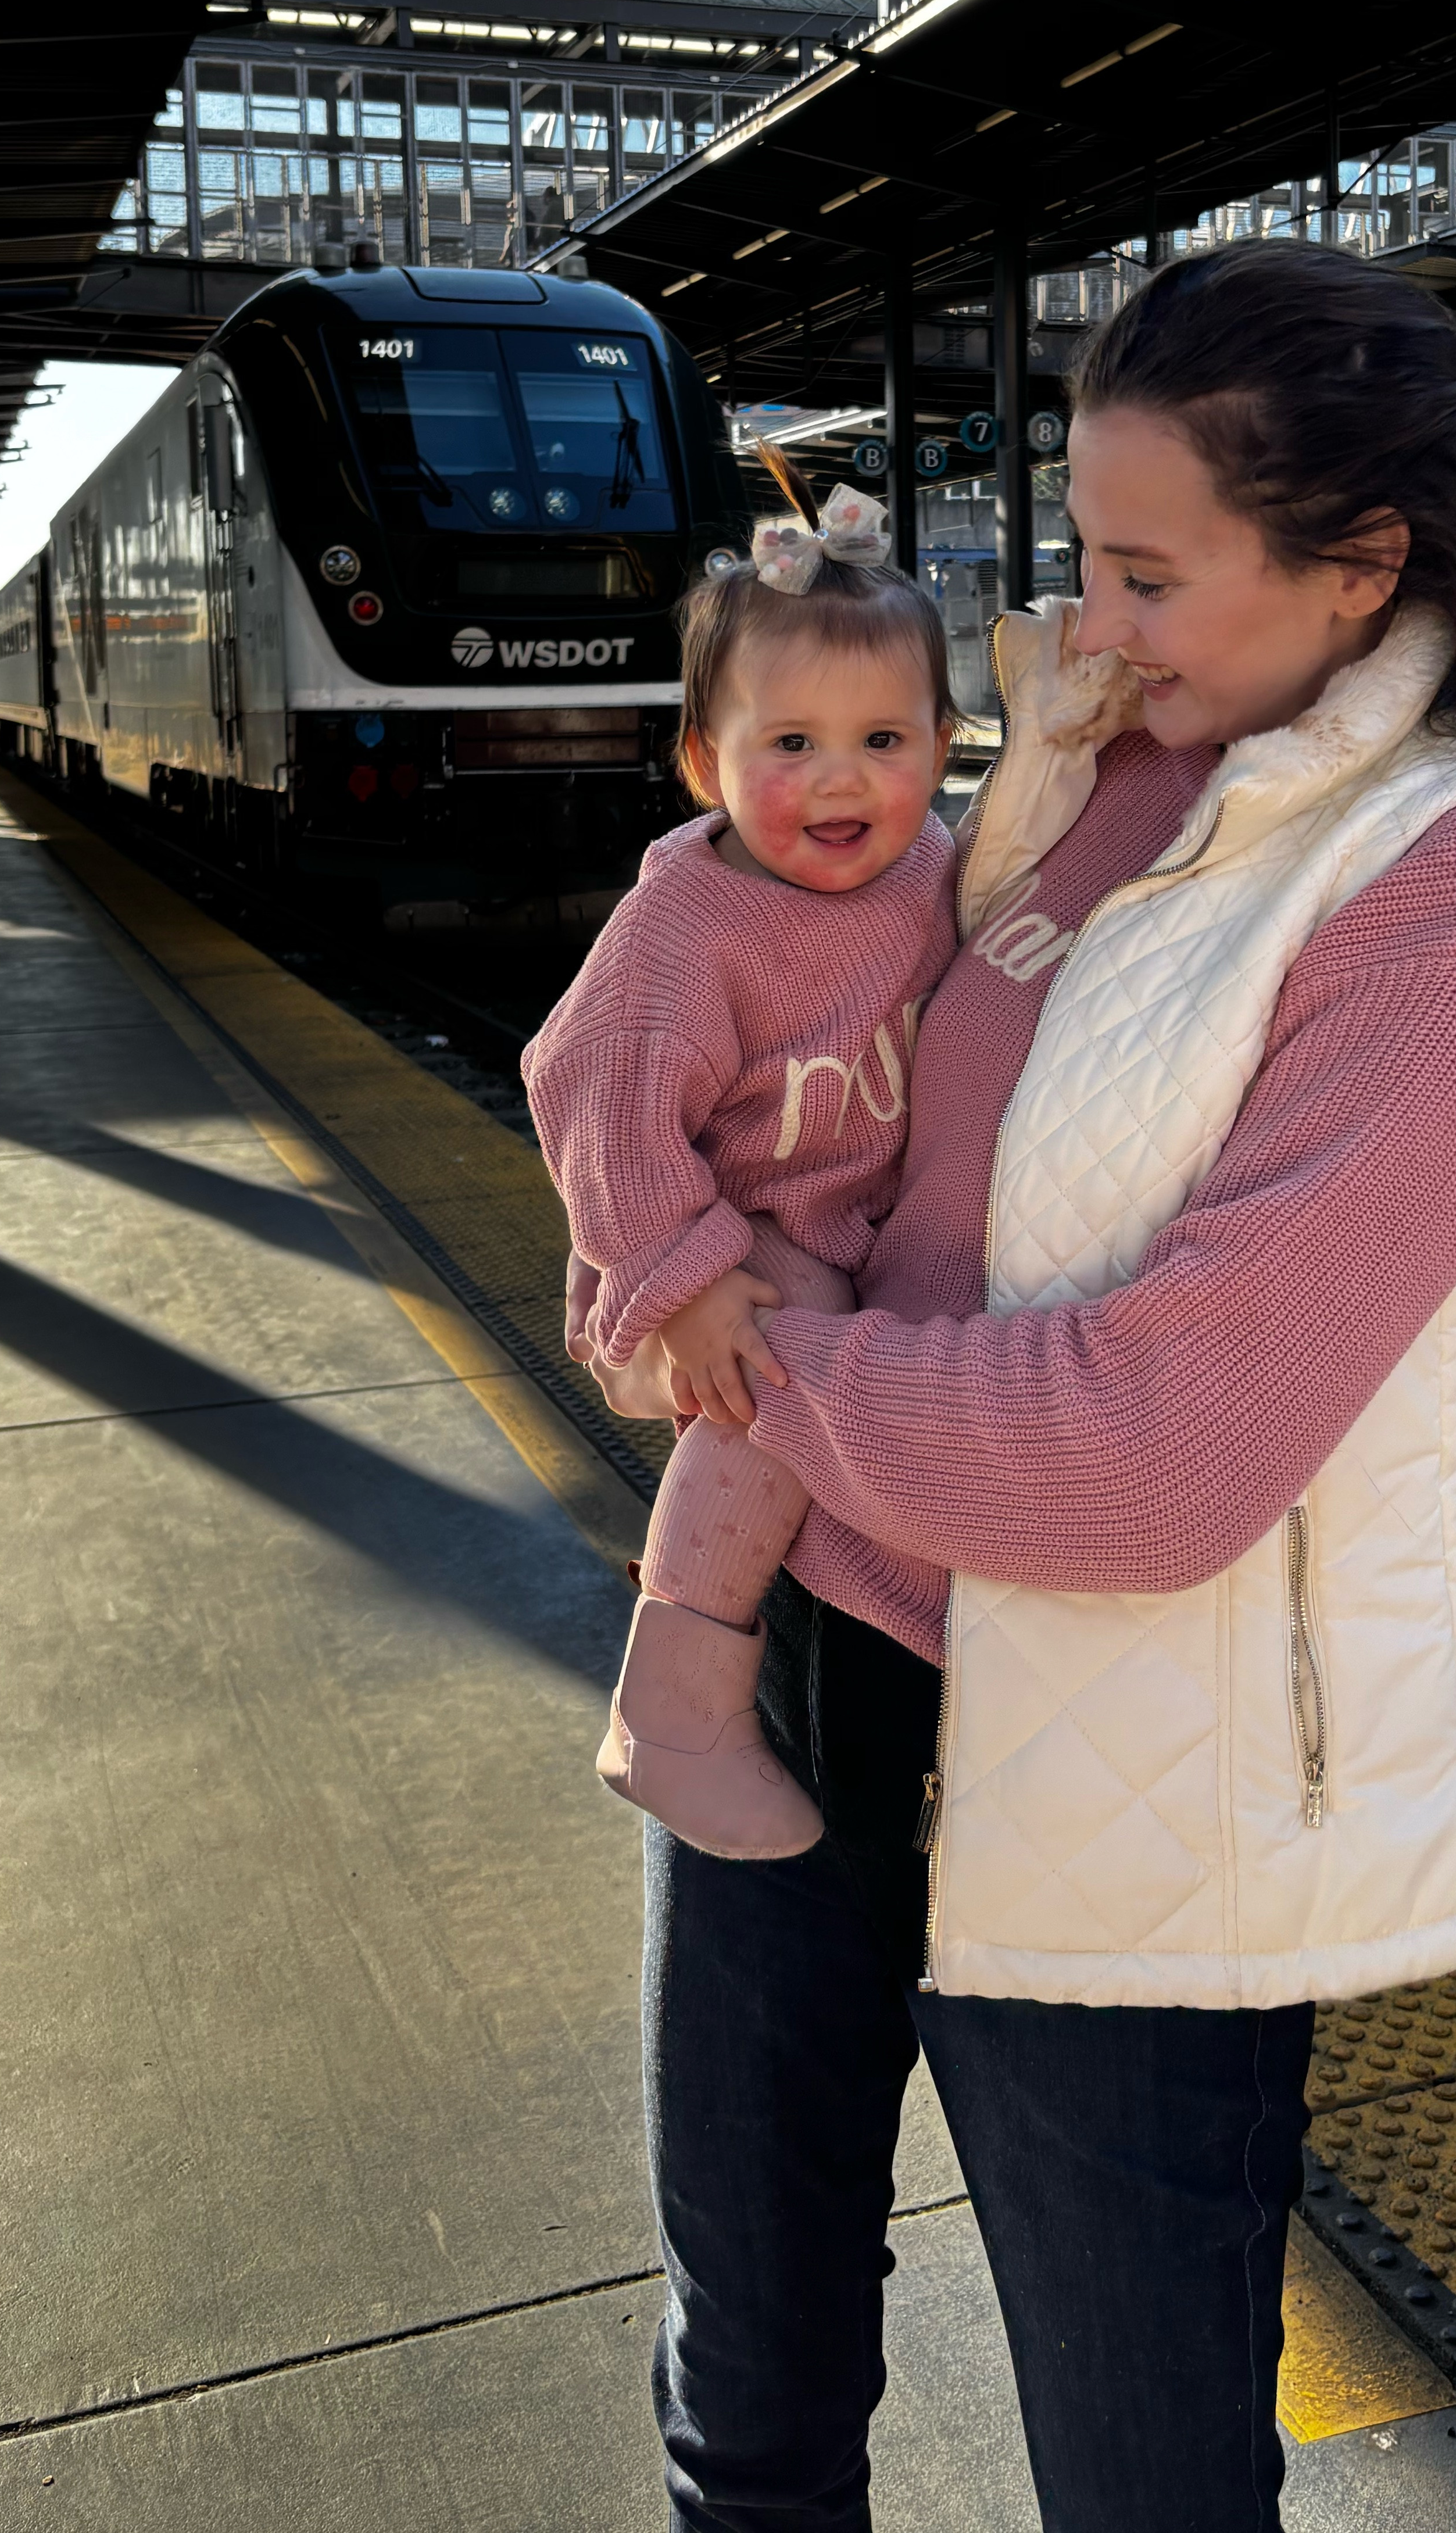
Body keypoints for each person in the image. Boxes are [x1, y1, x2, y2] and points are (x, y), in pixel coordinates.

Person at [589, 244, 1456, 2532]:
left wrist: (748, 1357)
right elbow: (871, 1115)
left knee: (1139, 2474)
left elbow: (1152, 1448)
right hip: (817, 1660)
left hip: (1127, 1780)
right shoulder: (1117, 770)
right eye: (1071, 565)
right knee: (745, 2391)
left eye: (1137, 572)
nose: (1082, 625)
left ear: (1356, 566)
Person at [524, 455, 955, 1859]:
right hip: (709, 1262)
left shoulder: (936, 874)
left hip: (835, 1255)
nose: (843, 780)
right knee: (798, 1328)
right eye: (791, 747)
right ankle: (676, 1705)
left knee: (841, 1320)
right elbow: (584, 1088)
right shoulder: (687, 928)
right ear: (706, 762)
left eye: (884, 742)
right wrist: (685, 1271)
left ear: (943, 745)